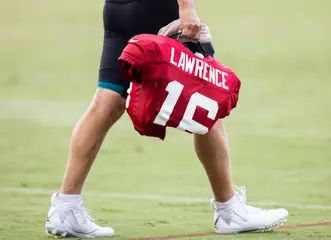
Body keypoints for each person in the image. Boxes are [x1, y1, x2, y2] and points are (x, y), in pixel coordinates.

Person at [45, 0, 288, 238]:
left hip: (117, 9)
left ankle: (66, 206)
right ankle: (229, 210)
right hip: (159, 8)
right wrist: (186, 8)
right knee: (207, 97)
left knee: (107, 101)